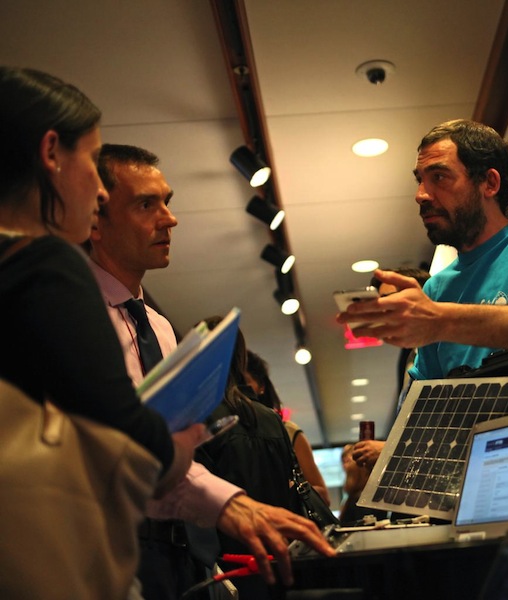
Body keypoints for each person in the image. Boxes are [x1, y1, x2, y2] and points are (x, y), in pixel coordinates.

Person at [89, 143, 333, 598]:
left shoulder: (159, 327)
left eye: (167, 201)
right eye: (146, 204)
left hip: (179, 554)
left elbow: (167, 452)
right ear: (95, 221)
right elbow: (116, 456)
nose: (169, 218)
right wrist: (228, 505)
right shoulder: (74, 317)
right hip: (109, 555)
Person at [0, 66, 203, 595]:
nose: (96, 188)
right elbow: (124, 438)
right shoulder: (42, 265)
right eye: (90, 159)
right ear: (50, 153)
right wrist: (181, 438)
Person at [337, 119, 508, 381]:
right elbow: (427, 399)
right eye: (420, 180)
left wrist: (441, 321)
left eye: (439, 177)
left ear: (490, 183)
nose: (421, 195)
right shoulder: (436, 289)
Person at [195, 318, 315, 600]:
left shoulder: (199, 419)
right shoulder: (273, 421)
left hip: (227, 569)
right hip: (277, 560)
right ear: (241, 356)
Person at [350, 266, 431, 471]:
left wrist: (388, 449)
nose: (385, 312)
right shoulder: (411, 357)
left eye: (392, 300)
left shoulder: (448, 349)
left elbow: (449, 427)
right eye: (381, 305)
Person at [245, 349, 331, 504]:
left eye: (244, 383)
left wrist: (288, 488)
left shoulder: (288, 431)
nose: (238, 391)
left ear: (261, 386)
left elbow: (323, 495)